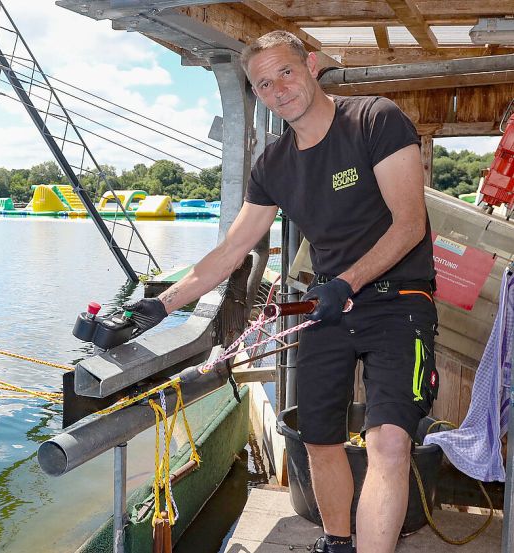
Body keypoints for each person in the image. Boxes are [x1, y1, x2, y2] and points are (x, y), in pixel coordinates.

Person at [125, 30, 437, 553]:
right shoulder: (273, 164)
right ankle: (337, 542)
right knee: (318, 438)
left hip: (399, 300)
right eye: (263, 83)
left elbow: (409, 224)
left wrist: (347, 281)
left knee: (388, 443)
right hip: (328, 305)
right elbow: (230, 253)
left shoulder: (373, 120)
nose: (278, 89)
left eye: (286, 73)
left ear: (311, 65)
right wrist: (157, 306)